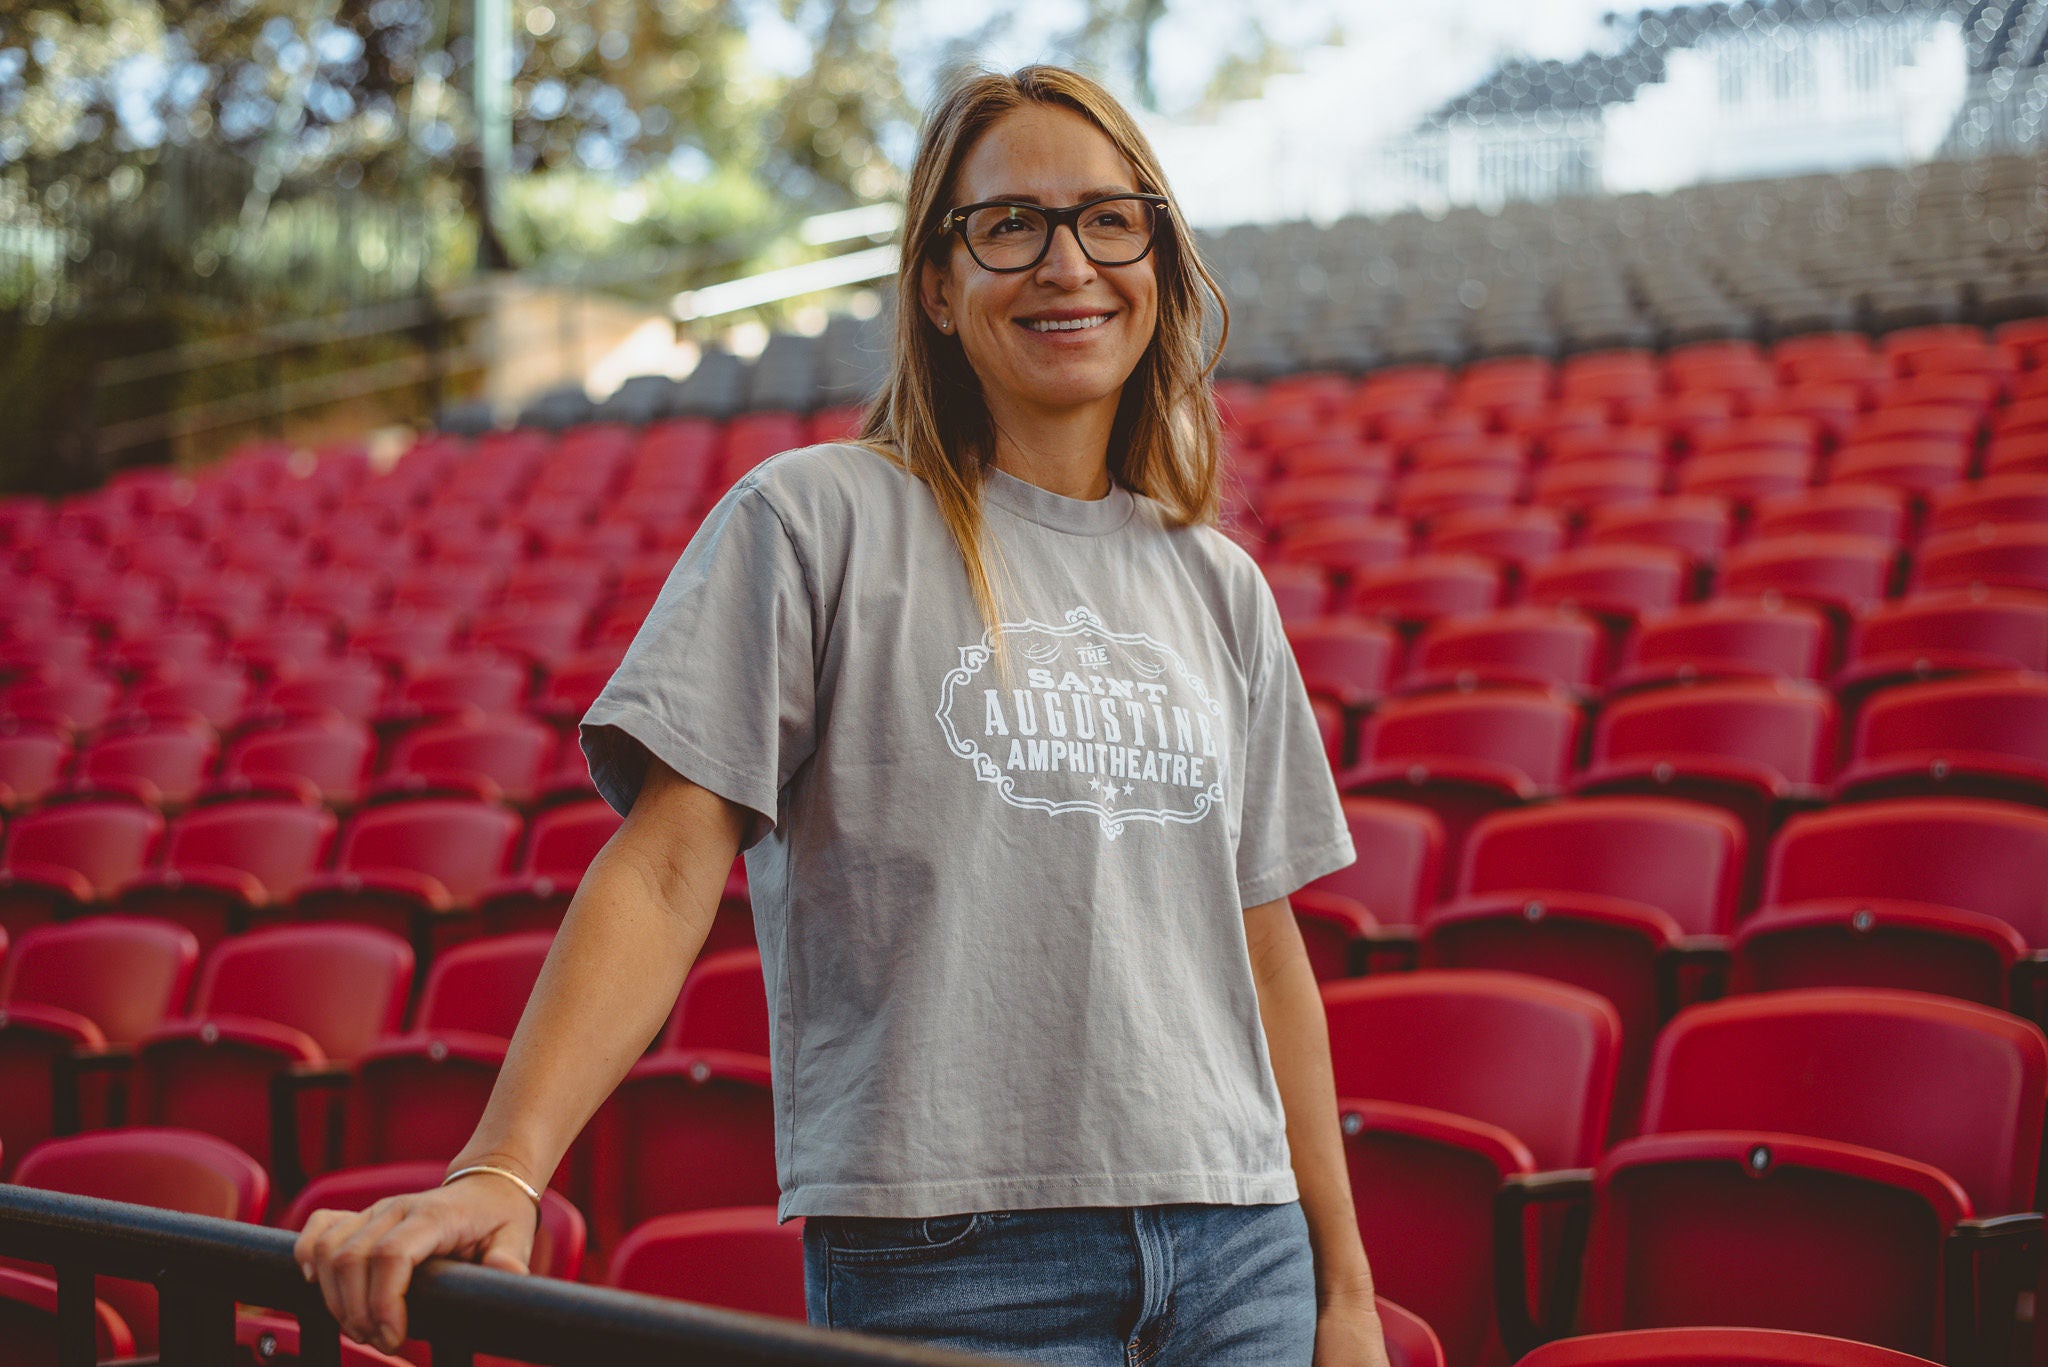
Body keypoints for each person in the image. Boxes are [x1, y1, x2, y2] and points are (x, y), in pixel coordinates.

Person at [297, 64, 1390, 1367]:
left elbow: (1266, 956)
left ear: (1158, 254)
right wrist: (504, 1166)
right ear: (936, 280)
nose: (1068, 262)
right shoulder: (812, 519)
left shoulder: (1218, 584)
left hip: (1241, 1250)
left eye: (1111, 218)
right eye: (1010, 224)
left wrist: (1344, 1289)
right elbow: (662, 867)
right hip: (957, 1261)